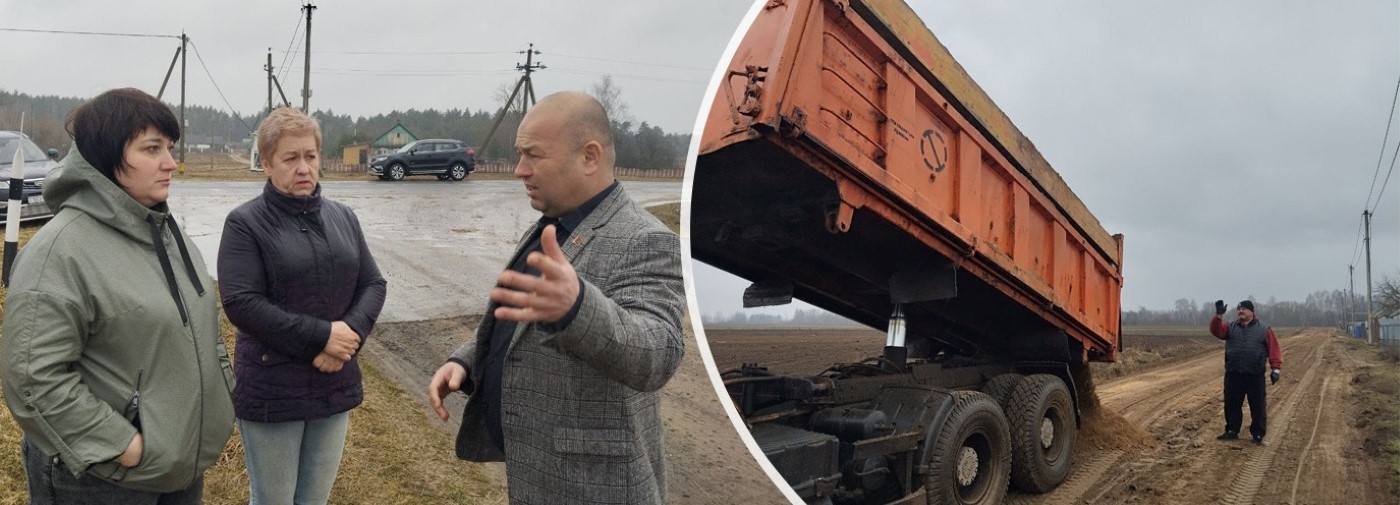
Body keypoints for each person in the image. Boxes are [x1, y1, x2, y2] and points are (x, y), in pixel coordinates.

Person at [427, 91, 685, 505]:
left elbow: (658, 352)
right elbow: (519, 322)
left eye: (533, 156)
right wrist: (466, 360)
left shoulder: (645, 239)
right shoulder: (554, 225)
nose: (519, 170)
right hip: (537, 477)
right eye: (519, 154)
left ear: (589, 157)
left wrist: (578, 307)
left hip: (594, 489)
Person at [0, 87, 234, 503]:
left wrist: (220, 399)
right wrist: (121, 446)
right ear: (106, 159)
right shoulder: (61, 252)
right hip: (98, 478)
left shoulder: (164, 232)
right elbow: (32, 377)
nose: (171, 163)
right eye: (151, 149)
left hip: (175, 465)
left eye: (170, 147)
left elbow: (199, 327)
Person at [217, 107, 387, 505]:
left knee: (314, 498)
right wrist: (322, 338)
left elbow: (373, 283)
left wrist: (349, 337)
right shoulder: (245, 223)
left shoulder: (343, 217)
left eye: (310, 156)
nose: (303, 168)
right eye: (290, 158)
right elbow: (242, 303)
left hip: (334, 381)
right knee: (274, 499)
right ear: (267, 164)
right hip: (271, 386)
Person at [1209, 299, 1282, 445]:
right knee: (1232, 403)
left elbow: (1274, 349)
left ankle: (1258, 433)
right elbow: (1216, 330)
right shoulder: (1230, 327)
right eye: (1238, 309)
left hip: (1254, 374)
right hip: (1234, 373)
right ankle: (1232, 430)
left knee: (1258, 405)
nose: (1240, 312)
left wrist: (1276, 369)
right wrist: (1218, 316)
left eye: (1243, 309)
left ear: (1251, 312)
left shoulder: (1264, 329)